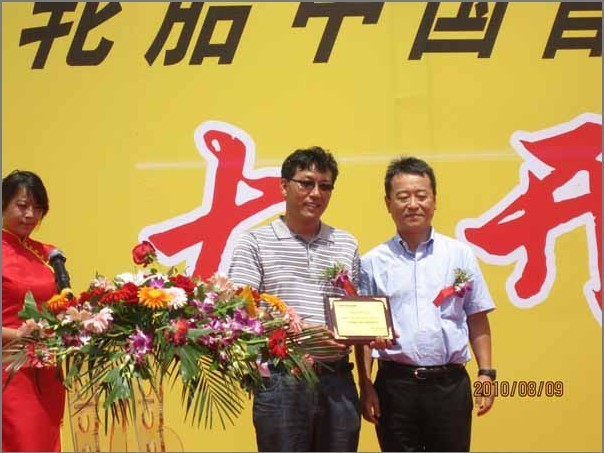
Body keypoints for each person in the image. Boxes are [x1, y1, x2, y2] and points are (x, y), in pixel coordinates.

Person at [355, 156, 496, 452]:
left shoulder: (459, 255)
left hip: (449, 385)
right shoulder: (372, 263)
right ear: (388, 203)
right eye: (402, 197)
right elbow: (364, 334)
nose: (413, 204)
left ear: (434, 200)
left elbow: (477, 317)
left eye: (421, 195)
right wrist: (365, 385)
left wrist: (486, 373)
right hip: (395, 387)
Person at [228, 146, 361, 452]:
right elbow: (240, 314)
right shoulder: (254, 242)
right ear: (284, 186)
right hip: (281, 379)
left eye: (325, 186)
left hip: (338, 380)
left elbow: (356, 311)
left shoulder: (346, 243)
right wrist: (301, 334)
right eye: (306, 183)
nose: (316, 193)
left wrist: (370, 332)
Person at [2, 170, 66, 452]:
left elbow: (59, 303)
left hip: (48, 371)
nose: (30, 215)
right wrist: (18, 335)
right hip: (10, 373)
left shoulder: (46, 253)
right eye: (22, 205)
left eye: (37, 208)